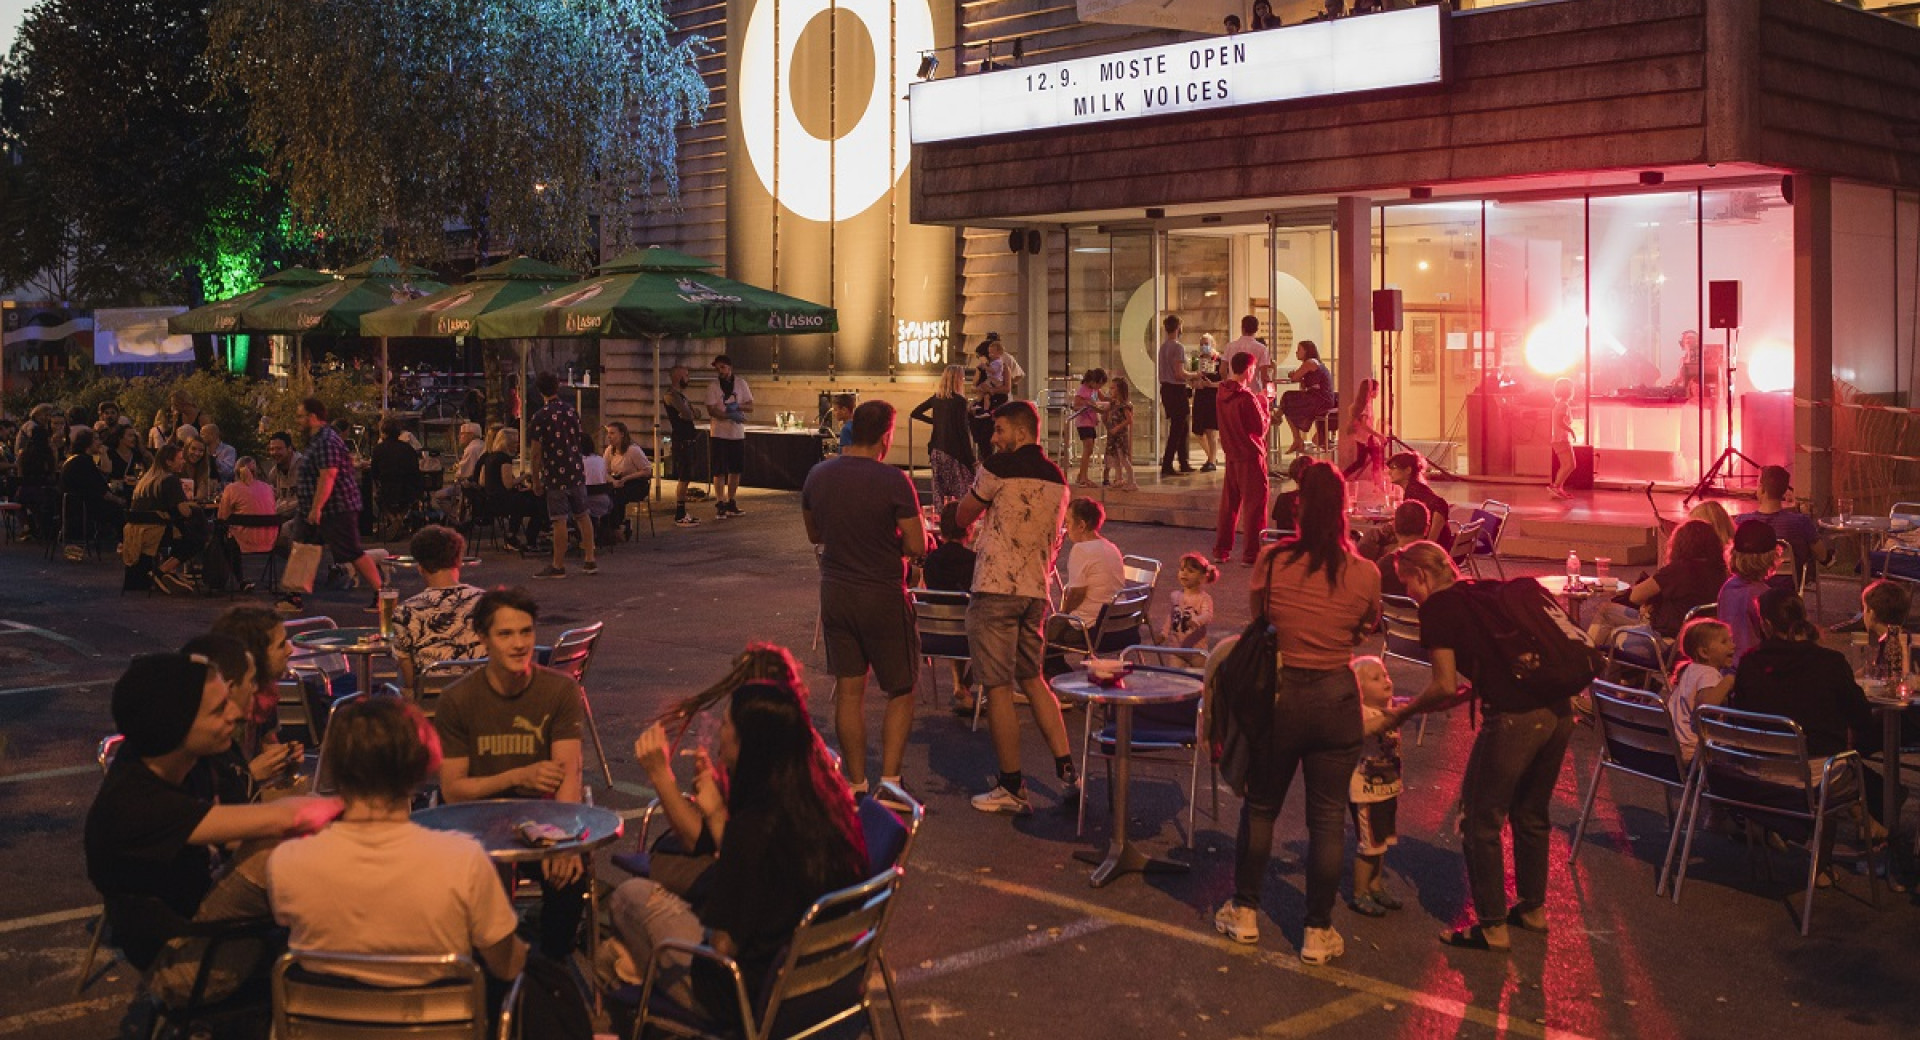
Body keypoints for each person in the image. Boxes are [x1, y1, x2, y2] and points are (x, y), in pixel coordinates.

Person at [84, 653, 342, 1005]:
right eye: (218, 710)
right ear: (174, 726)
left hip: (209, 925)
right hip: (182, 964)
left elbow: (240, 832)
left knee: (288, 849)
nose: (234, 714)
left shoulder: (181, 759)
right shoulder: (136, 802)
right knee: (271, 851)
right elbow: (281, 818)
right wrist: (357, 806)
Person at [608, 679, 868, 1025]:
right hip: (830, 985)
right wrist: (716, 815)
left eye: (726, 724)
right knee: (632, 937)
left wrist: (659, 773)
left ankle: (634, 978)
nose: (719, 734)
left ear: (749, 743)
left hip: (748, 999)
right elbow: (757, 878)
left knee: (627, 899)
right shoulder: (826, 805)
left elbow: (722, 945)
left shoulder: (756, 827)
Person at [1215, 462, 1378, 964]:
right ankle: (1317, 929)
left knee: (1262, 806)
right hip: (1337, 697)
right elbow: (1366, 627)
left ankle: (1244, 912)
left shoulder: (1273, 560)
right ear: (1345, 512)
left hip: (1282, 696)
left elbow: (1259, 617)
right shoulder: (1365, 572)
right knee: (1328, 818)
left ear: (1300, 508)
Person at [266, 696, 532, 992]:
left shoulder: (288, 861)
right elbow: (507, 966)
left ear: (336, 765)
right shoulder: (463, 860)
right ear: (418, 768)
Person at [1388, 542, 1575, 952]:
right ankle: (1532, 909)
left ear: (1421, 575)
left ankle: (1492, 925)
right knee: (1530, 812)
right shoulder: (1483, 590)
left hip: (1515, 718)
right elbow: (1466, 683)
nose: (1410, 595)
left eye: (1408, 585)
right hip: (1558, 711)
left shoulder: (1438, 609)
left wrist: (1403, 713)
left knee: (1479, 820)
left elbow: (1441, 683)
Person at [434, 587, 589, 960]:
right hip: (479, 823)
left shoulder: (560, 691)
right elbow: (453, 791)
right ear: (483, 638)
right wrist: (518, 777)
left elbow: (570, 773)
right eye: (506, 634)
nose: (519, 644)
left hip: (543, 822)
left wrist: (564, 841)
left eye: (526, 632)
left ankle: (551, 973)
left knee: (570, 876)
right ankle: (485, 974)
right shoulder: (457, 700)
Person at [800, 401, 926, 799]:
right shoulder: (894, 481)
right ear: (886, 437)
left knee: (849, 690)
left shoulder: (817, 475)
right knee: (901, 688)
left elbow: (814, 534)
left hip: (836, 592)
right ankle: (890, 781)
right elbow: (917, 542)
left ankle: (855, 781)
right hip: (882, 593)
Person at [960, 401, 1079, 815]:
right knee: (1033, 679)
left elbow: (962, 515)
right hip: (1036, 592)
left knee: (997, 687)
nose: (994, 438)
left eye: (999, 429)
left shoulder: (1000, 467)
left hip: (995, 589)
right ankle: (1067, 772)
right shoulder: (1059, 479)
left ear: (1022, 432)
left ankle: (1012, 785)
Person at [1731, 588, 1888, 849]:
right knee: (1853, 770)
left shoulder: (1749, 662)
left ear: (1766, 624)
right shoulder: (1830, 662)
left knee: (1847, 768)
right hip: (1817, 775)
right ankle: (1826, 865)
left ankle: (1790, 833)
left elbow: (1744, 717)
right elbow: (1861, 717)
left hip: (1760, 772)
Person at [295, 397, 385, 609]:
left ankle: (382, 594)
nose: (297, 420)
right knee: (304, 545)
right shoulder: (317, 440)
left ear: (313, 417)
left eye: (301, 416)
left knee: (351, 551)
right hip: (318, 508)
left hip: (336, 508)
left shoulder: (326, 440)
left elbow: (328, 476)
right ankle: (293, 595)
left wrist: (317, 508)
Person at [1586, 519, 1728, 644]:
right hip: (1700, 639)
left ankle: (1586, 659)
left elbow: (1635, 596)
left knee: (1607, 616)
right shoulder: (1721, 572)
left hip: (1666, 640)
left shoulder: (1678, 570)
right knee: (1611, 622)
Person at [390, 525, 485, 694]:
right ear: (459, 561)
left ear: (420, 567)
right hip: (481, 698)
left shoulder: (406, 611)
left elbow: (408, 677)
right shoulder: (486, 602)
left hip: (431, 704)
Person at [1346, 656, 1405, 918]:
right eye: (1376, 678)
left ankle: (1376, 884)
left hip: (1389, 787)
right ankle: (1360, 893)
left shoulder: (1390, 708)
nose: (1386, 681)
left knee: (1381, 843)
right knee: (1368, 846)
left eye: (1386, 675)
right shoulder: (1361, 715)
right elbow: (1360, 731)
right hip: (1367, 791)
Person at [526, 372, 597, 578]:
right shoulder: (572, 411)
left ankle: (558, 565)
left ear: (540, 391)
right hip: (575, 470)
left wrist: (536, 480)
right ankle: (590, 559)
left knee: (559, 520)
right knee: (583, 515)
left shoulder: (540, 417)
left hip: (555, 474)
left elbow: (536, 453)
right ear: (557, 386)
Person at [1044, 498, 1127, 663]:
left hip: (1092, 629)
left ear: (1081, 525)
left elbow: (1077, 594)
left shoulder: (1081, 550)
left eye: (1068, 523)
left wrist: (1062, 614)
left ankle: (1053, 677)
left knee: (1041, 632)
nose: (1066, 529)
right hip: (1120, 625)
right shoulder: (1111, 547)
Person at [1213, 351, 1271, 566]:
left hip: (1232, 455)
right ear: (1248, 370)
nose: (1254, 373)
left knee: (1229, 506)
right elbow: (1261, 427)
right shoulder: (1247, 397)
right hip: (1250, 456)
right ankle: (1251, 554)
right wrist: (1264, 402)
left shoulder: (1221, 392)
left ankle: (1221, 550)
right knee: (1255, 506)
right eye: (1254, 369)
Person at [923, 504, 980, 715]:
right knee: (997, 633)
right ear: (969, 529)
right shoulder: (975, 562)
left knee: (954, 618)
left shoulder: (931, 561)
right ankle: (967, 685)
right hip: (970, 637)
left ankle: (959, 686)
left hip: (935, 635)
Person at [1735, 465, 1830, 590]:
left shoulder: (1742, 522)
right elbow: (1822, 555)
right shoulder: (1801, 522)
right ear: (1784, 491)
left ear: (1762, 490)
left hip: (1752, 587)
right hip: (1788, 587)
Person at [128, 443, 204, 595]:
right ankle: (162, 571)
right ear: (169, 462)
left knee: (187, 530)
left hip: (136, 530)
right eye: (180, 458)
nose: (184, 461)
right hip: (159, 532)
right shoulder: (170, 480)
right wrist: (193, 508)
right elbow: (184, 512)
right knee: (198, 535)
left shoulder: (145, 481)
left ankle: (169, 573)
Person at [1718, 519, 1791, 663]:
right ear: (1772, 558)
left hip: (1725, 665)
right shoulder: (1765, 596)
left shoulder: (1726, 588)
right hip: (1755, 667)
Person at [1668, 617, 1736, 763]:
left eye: (1731, 640)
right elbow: (1706, 704)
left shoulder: (1691, 669)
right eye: (1724, 642)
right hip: (1695, 751)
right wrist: (1729, 681)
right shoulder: (1708, 673)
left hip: (1674, 745)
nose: (1733, 646)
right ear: (1704, 653)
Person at [912, 364, 979, 505]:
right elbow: (962, 433)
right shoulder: (959, 401)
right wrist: (971, 459)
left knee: (939, 491)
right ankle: (961, 522)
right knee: (964, 490)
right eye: (962, 377)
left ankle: (941, 519)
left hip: (936, 450)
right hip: (954, 452)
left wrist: (936, 422)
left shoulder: (936, 398)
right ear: (957, 379)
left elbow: (915, 413)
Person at [479, 428, 545, 551]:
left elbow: (482, 481)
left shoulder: (489, 458)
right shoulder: (504, 459)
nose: (517, 446)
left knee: (523, 501)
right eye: (514, 443)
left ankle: (512, 534)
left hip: (491, 500)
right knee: (538, 505)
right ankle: (530, 538)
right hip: (504, 501)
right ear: (506, 444)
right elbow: (508, 484)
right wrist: (524, 476)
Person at [704, 355, 754, 519]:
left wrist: (738, 406)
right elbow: (711, 410)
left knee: (736, 469)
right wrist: (729, 416)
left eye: (723, 367)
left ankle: (731, 500)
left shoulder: (741, 383)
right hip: (719, 433)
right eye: (718, 368)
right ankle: (720, 501)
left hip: (736, 434)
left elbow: (750, 406)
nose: (720, 371)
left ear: (730, 367)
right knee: (719, 470)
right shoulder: (713, 386)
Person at [60, 426, 125, 538]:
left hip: (74, 504)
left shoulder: (76, 459)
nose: (100, 442)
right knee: (122, 511)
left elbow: (105, 472)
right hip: (84, 506)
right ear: (87, 443)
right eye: (96, 439)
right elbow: (101, 491)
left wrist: (103, 454)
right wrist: (120, 500)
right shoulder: (83, 462)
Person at [662, 365, 703, 526]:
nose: (689, 378)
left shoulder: (680, 395)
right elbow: (687, 414)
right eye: (686, 375)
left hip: (688, 439)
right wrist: (690, 413)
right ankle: (679, 513)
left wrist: (691, 413)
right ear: (679, 377)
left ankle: (682, 511)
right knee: (684, 477)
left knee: (687, 476)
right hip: (682, 441)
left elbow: (695, 413)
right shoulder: (671, 395)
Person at [216, 456, 280, 560]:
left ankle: (233, 575)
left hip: (241, 544)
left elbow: (222, 517)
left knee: (219, 531)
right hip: (270, 543)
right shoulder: (268, 488)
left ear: (237, 472)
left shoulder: (231, 489)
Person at [1278, 341, 1335, 454]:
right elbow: (1303, 387)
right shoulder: (1313, 364)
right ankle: (1296, 437)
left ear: (1307, 351)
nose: (1296, 352)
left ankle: (1279, 417)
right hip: (1320, 398)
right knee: (1289, 404)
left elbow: (1294, 377)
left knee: (1287, 397)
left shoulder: (1310, 362)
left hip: (1320, 399)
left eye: (1299, 349)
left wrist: (1293, 375)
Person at [1371, 500, 1432, 599]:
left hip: (1389, 614)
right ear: (1427, 528)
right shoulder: (1436, 564)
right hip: (1426, 613)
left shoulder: (1382, 566)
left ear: (1394, 527)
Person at [1157, 314, 1193, 477]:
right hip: (1176, 389)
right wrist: (1195, 374)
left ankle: (1183, 462)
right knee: (1178, 428)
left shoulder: (1163, 347)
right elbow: (1179, 373)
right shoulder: (1178, 347)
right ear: (1178, 327)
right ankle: (1168, 463)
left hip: (1166, 389)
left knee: (1182, 426)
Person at [1386, 451, 1450, 538]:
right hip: (1420, 541)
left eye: (1393, 468)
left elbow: (1441, 505)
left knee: (1373, 538)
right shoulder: (1414, 488)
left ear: (1408, 470)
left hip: (1423, 545)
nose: (1389, 472)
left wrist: (1431, 539)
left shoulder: (1415, 491)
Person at [1161, 552, 1218, 649]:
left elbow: (1208, 615)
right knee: (1174, 664)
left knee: (1198, 664)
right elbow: (1171, 616)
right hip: (1176, 647)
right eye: (1182, 569)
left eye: (1190, 571)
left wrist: (1197, 621)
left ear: (1202, 578)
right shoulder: (1175, 596)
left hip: (1195, 647)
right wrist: (1164, 633)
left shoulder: (1204, 598)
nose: (1184, 573)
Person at [603, 420, 653, 525]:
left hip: (636, 483)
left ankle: (616, 526)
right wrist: (613, 481)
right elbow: (604, 471)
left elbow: (647, 471)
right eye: (608, 433)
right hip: (618, 481)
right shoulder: (609, 450)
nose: (609, 436)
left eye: (612, 433)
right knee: (605, 494)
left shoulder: (633, 450)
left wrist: (626, 478)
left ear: (622, 434)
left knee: (616, 496)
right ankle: (608, 527)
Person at [1861, 579, 1911, 681]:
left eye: (1864, 608)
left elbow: (1894, 679)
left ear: (1871, 612)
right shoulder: (1900, 636)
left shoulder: (1896, 643)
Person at [1069, 367, 1109, 488]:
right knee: (1088, 448)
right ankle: (1083, 477)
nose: (1100, 387)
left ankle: (1081, 475)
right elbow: (1075, 405)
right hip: (1084, 422)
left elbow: (1103, 399)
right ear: (1094, 381)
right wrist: (1087, 404)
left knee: (1089, 449)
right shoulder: (1083, 390)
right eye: (1100, 384)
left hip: (1090, 422)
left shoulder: (1095, 390)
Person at [1342, 378, 1384, 488]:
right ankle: (1378, 484)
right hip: (1366, 438)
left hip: (1362, 438)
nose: (1378, 392)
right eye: (1377, 390)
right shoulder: (1367, 407)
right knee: (1376, 460)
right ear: (1371, 391)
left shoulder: (1364, 405)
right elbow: (1365, 425)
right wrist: (1378, 435)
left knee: (1362, 461)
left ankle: (1342, 476)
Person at [1191, 334, 1223, 473]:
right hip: (1200, 396)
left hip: (1212, 396)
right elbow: (1191, 379)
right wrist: (1195, 383)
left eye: (1207, 343)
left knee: (1211, 430)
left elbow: (1225, 381)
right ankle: (1211, 456)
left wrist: (1212, 385)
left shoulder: (1220, 360)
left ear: (1213, 344)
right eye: (1202, 343)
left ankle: (1211, 460)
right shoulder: (1197, 360)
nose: (1204, 346)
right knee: (1198, 431)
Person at [1226, 315, 1274, 397]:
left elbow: (1222, 369)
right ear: (1256, 329)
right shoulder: (1262, 349)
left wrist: (1228, 384)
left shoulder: (1230, 346)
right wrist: (1267, 395)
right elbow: (1264, 376)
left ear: (1242, 328)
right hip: (1254, 391)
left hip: (1233, 391)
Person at [1103, 378, 1138, 491]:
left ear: (1120, 390)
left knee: (1124, 459)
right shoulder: (1113, 403)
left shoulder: (1124, 405)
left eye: (1113, 388)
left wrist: (1118, 427)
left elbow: (1129, 420)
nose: (1111, 390)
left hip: (1121, 436)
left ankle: (1132, 481)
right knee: (1116, 459)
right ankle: (1119, 479)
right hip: (1113, 435)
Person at [1547, 377, 1577, 500]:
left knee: (1566, 465)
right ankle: (1556, 486)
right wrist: (1571, 430)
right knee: (1570, 465)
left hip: (1558, 439)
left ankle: (1558, 488)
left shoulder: (1559, 404)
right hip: (1562, 439)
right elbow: (1560, 421)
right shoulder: (1563, 405)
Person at [1270, 454, 1313, 532]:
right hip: (1308, 542)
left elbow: (1278, 522)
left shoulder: (1283, 498)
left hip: (1285, 540)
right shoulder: (1316, 499)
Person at [265, 432, 301, 518]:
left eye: (279, 449)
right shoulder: (273, 473)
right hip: (281, 518)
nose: (274, 452)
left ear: (290, 449)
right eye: (272, 449)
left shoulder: (304, 467)